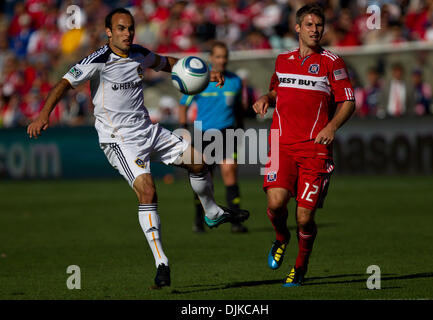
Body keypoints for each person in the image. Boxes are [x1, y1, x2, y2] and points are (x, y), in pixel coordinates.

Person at [27, 8, 249, 288]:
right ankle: (162, 262)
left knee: (200, 162)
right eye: (120, 28)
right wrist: (44, 114)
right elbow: (64, 83)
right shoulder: (99, 60)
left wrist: (204, 72)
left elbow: (167, 62)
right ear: (109, 32)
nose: (127, 33)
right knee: (147, 190)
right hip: (119, 139)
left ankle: (212, 213)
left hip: (149, 131)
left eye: (130, 28)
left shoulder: (139, 53)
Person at [252, 4, 355, 287]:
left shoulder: (332, 62)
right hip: (281, 143)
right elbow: (276, 90)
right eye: (309, 25)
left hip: (314, 149)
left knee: (304, 217)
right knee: (275, 202)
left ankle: (300, 266)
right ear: (297, 28)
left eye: (318, 25)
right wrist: (265, 97)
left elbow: (348, 101)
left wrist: (331, 126)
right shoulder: (282, 59)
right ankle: (281, 238)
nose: (314, 30)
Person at [179, 41, 248, 233]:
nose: (222, 60)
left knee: (229, 172)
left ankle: (235, 221)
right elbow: (183, 103)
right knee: (204, 178)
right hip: (203, 133)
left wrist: (240, 128)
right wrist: (183, 129)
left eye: (225, 56)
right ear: (211, 58)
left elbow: (237, 109)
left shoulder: (235, 81)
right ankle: (199, 219)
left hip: (227, 132)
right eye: (218, 56)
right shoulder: (201, 79)